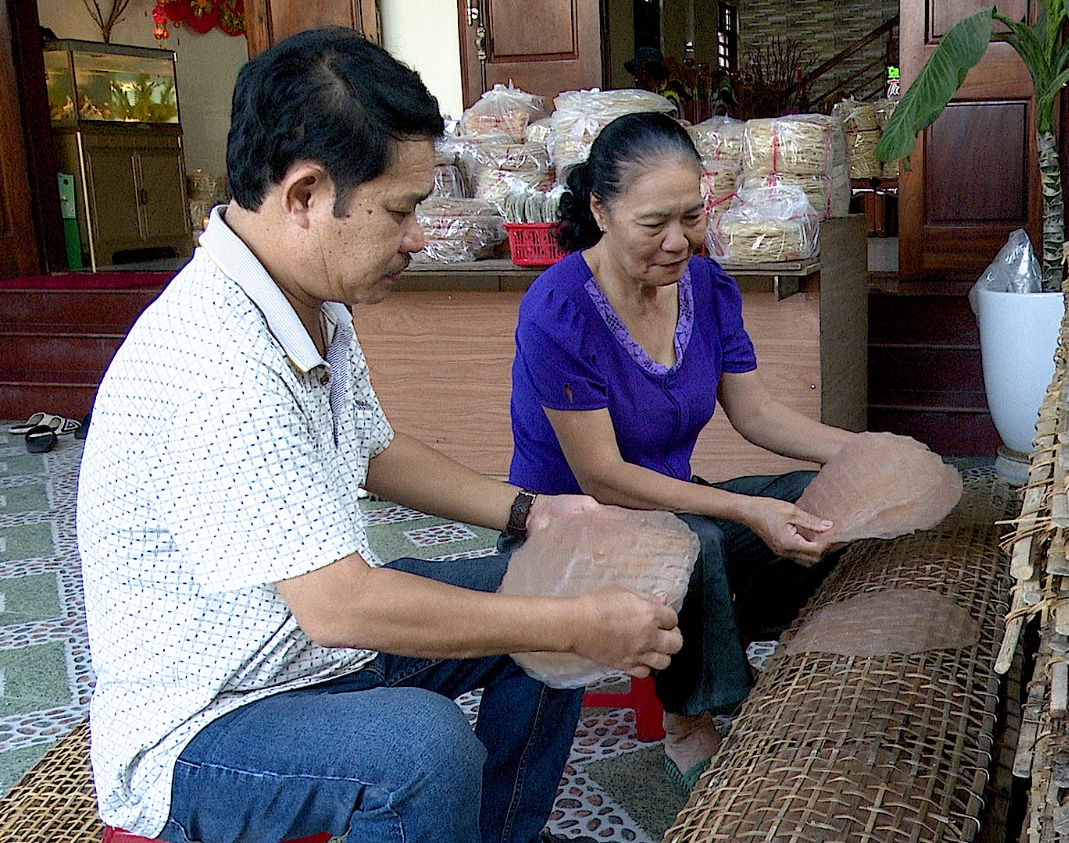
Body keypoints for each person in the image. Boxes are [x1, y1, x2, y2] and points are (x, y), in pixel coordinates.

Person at [76, 28, 681, 843]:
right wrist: (574, 627)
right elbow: (340, 606)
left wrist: (534, 515)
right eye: (401, 210)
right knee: (421, 751)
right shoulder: (213, 359)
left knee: (545, 584)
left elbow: (369, 450)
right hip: (203, 721)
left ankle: (501, 833)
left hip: (297, 655)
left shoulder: (311, 302)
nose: (418, 237)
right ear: (303, 195)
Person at [507, 111, 859, 795]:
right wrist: (745, 508)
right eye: (654, 223)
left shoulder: (708, 286)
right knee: (699, 536)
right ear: (600, 211)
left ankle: (745, 661)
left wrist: (864, 451)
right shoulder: (559, 311)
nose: (678, 242)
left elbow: (755, 413)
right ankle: (690, 720)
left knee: (823, 500)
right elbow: (603, 476)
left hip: (670, 509)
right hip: (568, 529)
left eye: (692, 217)